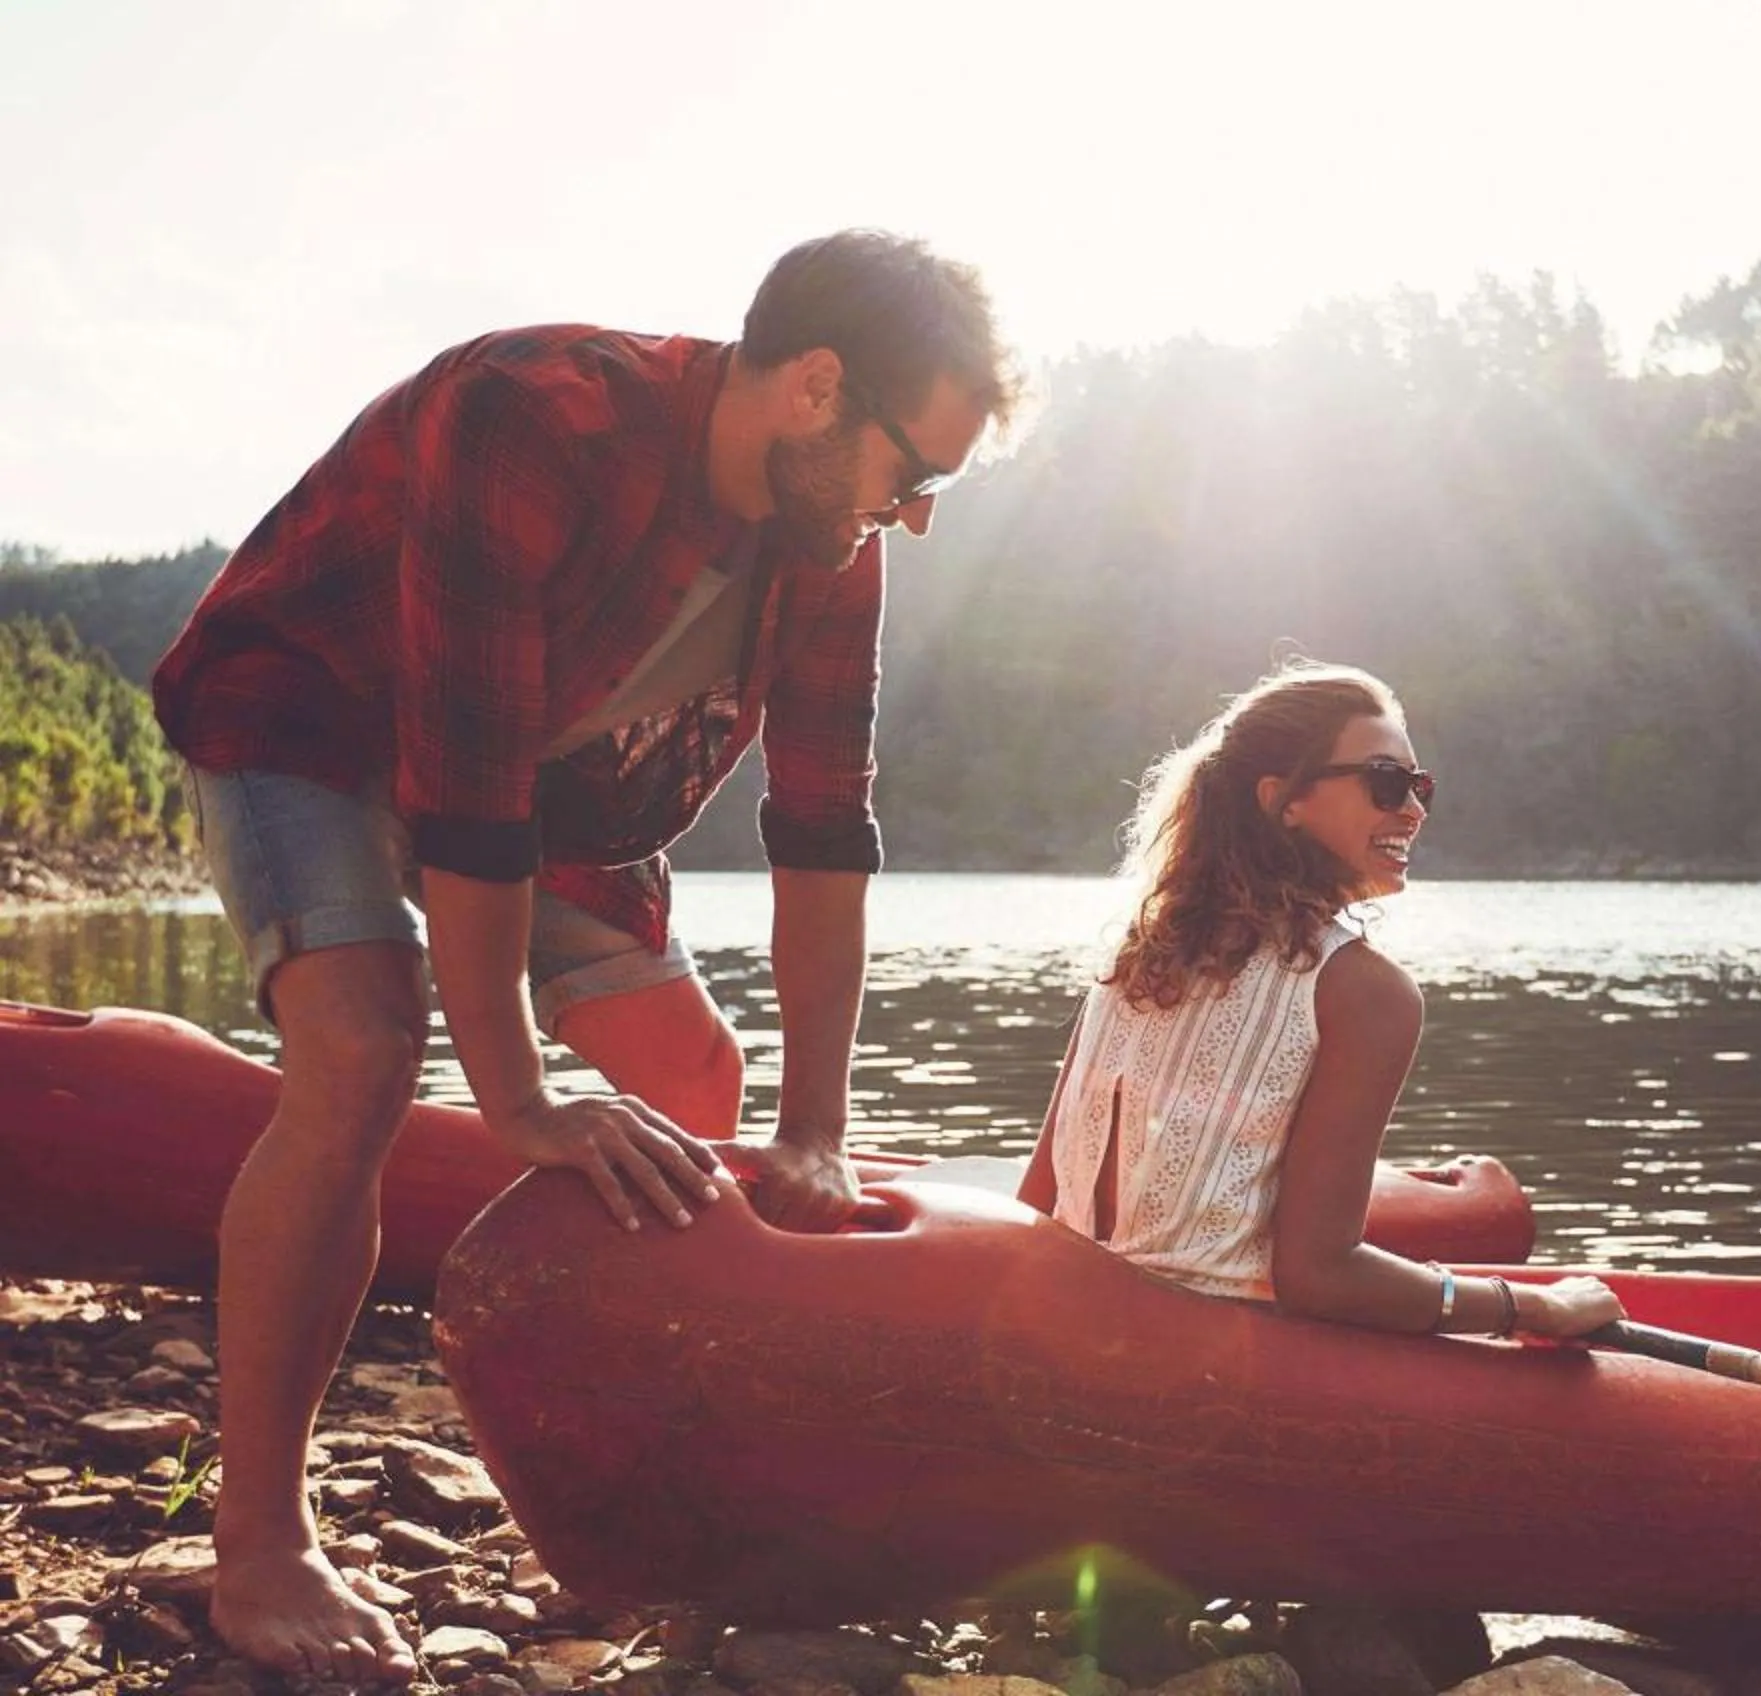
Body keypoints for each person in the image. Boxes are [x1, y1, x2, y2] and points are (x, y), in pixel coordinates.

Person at [148, 229, 1023, 1682]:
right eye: (912, 476)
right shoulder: (535, 418)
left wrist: (817, 1130)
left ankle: (660, 1469)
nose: (911, 517)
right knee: (365, 1051)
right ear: (816, 387)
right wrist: (523, 1099)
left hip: (548, 782)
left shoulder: (831, 548)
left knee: (696, 1072)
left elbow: (822, 834)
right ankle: (262, 1543)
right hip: (307, 717)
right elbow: (462, 796)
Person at [1016, 660, 1623, 1342]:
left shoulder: (1137, 956)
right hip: (1212, 1366)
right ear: (1284, 801)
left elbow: (1036, 1207)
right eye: (1386, 782)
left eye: (1419, 786)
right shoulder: (1364, 994)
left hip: (1065, 1329)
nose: (1414, 810)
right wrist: (1528, 1306)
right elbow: (1320, 1277)